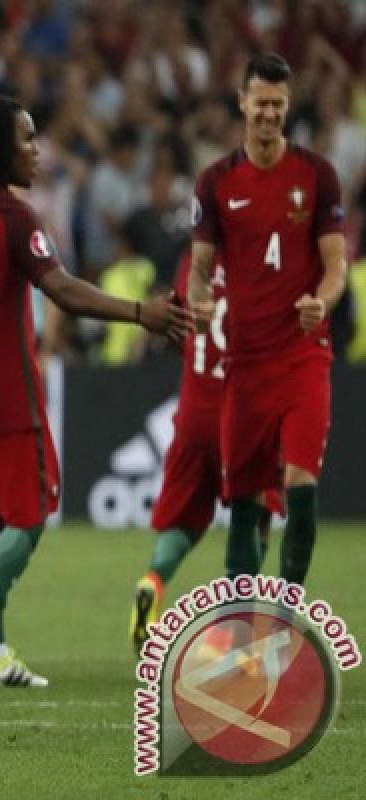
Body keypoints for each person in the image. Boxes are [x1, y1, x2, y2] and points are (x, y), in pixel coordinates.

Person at [0, 94, 190, 690]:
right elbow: (62, 290)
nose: (37, 151)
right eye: (26, 139)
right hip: (9, 389)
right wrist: (139, 311)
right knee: (35, 513)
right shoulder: (14, 218)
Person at [188, 52, 347, 587]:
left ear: (288, 103)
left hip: (303, 355)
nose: (270, 114)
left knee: (301, 482)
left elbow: (336, 267)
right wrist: (200, 300)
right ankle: (240, 623)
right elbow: (200, 269)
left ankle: (288, 617)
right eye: (261, 103)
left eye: (279, 104)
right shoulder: (215, 183)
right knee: (245, 499)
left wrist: (320, 302)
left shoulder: (317, 174)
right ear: (242, 101)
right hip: (246, 360)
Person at [129, 252, 280, 654]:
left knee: (185, 519)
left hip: (196, 410)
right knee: (257, 517)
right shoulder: (263, 266)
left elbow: (176, 323)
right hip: (245, 412)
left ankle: (154, 581)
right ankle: (227, 631)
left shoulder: (193, 263)